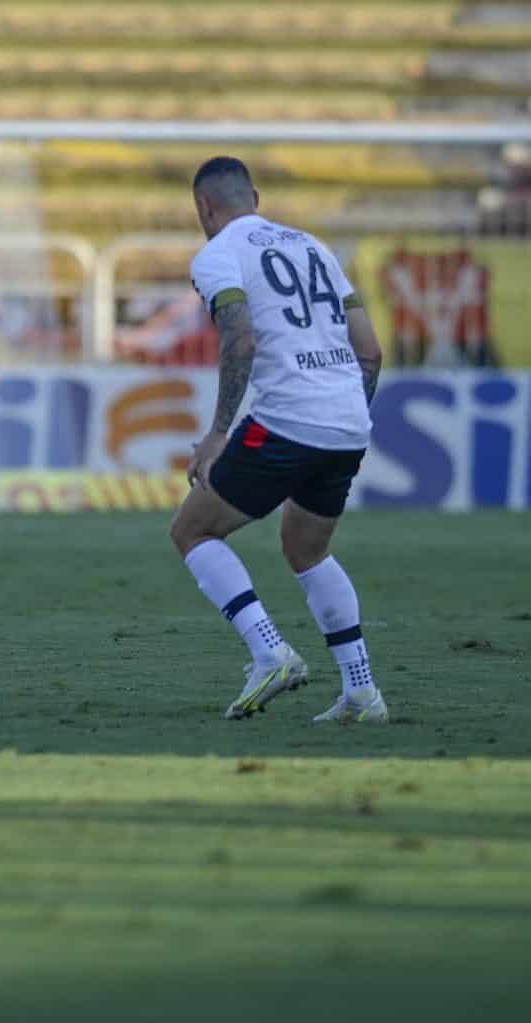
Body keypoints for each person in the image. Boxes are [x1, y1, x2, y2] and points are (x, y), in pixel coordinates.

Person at [170, 156, 389, 724]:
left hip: (290, 416)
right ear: (256, 197)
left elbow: (239, 338)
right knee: (306, 548)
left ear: (203, 207)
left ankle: (269, 651)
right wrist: (341, 418)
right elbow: (371, 350)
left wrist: (218, 434)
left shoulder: (217, 255)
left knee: (193, 529)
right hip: (347, 419)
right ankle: (361, 691)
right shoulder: (316, 248)